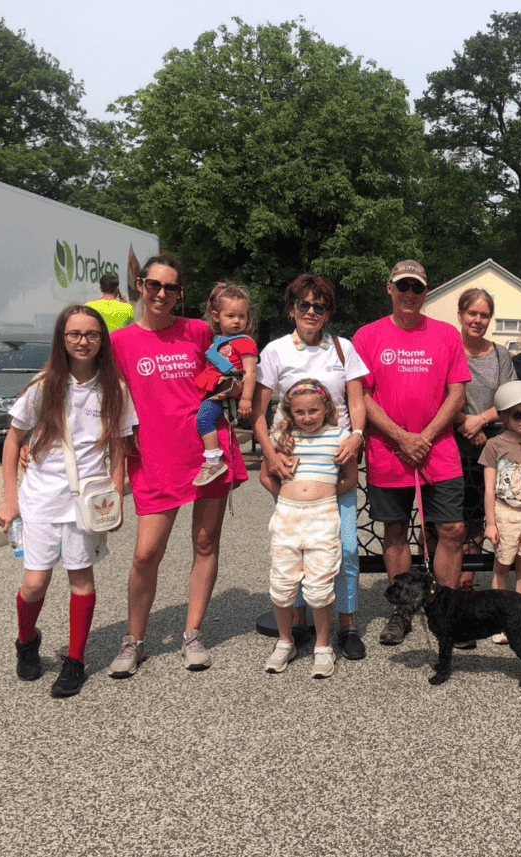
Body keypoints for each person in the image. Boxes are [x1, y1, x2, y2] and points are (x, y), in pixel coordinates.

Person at [107, 253, 248, 678]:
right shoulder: (120, 342)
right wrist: (115, 480)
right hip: (154, 457)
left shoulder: (199, 330)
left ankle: (192, 632)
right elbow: (110, 408)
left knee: (205, 545)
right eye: (154, 285)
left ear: (180, 293)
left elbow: (230, 373)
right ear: (140, 285)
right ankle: (133, 639)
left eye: (171, 288)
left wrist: (234, 385)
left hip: (207, 454)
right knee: (146, 554)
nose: (162, 294)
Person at [0, 304, 136, 697]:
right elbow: (13, 442)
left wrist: (116, 500)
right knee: (35, 582)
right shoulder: (43, 387)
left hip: (87, 502)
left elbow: (118, 449)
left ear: (101, 340)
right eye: (74, 334)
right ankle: (27, 642)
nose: (83, 341)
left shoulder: (114, 388)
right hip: (41, 499)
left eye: (91, 334)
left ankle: (75, 660)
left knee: (81, 578)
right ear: (62, 338)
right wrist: (11, 500)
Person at [352, 259, 470, 646]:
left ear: (426, 292)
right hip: (389, 451)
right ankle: (402, 612)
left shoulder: (447, 335)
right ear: (389, 288)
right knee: (396, 531)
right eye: (402, 285)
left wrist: (426, 435)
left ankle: (448, 612)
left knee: (451, 530)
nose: (409, 294)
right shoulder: (367, 336)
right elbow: (362, 395)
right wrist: (402, 437)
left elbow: (457, 393)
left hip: (440, 449)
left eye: (416, 288)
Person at [251, 274, 368, 660]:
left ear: (328, 312)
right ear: (292, 309)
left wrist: (357, 436)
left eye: (320, 306)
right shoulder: (276, 351)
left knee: (346, 548)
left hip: (335, 458)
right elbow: (258, 410)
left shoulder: (343, 348)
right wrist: (270, 454)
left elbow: (356, 400)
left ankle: (347, 625)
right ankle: (299, 625)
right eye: (304, 304)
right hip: (292, 457)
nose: (312, 312)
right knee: (295, 548)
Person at [259, 380, 353, 679]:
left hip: (323, 515)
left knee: (319, 583)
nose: (308, 417)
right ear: (290, 412)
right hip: (287, 515)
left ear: (327, 408)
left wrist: (320, 495)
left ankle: (323, 646)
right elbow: (264, 476)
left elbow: (350, 478)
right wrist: (289, 493)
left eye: (314, 410)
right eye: (300, 412)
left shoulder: (340, 436)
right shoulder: (281, 437)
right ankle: (285, 641)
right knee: (283, 581)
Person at [453, 288, 516, 584]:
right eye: (472, 313)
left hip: (491, 444)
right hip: (452, 442)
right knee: (448, 520)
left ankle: (467, 579)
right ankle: (443, 581)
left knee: (478, 516)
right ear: (461, 315)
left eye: (484, 314)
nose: (478, 320)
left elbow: (510, 398)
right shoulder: (449, 348)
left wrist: (479, 421)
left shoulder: (501, 355)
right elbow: (439, 394)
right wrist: (465, 423)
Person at [479, 381, 521, 644]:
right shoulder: (494, 445)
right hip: (505, 512)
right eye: (517, 414)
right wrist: (491, 523)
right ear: (504, 416)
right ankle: (498, 619)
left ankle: (518, 618)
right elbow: (488, 489)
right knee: (501, 566)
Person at [192, 282, 258, 487]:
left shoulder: (246, 342)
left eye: (242, 316)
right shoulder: (218, 341)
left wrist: (246, 398)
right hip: (213, 388)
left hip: (226, 392)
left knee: (203, 420)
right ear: (216, 315)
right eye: (231, 316)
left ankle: (213, 461)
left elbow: (250, 372)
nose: (237, 321)